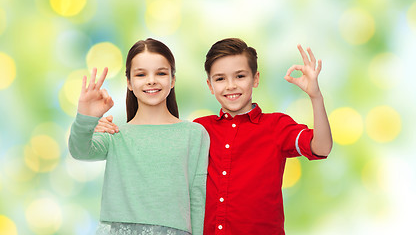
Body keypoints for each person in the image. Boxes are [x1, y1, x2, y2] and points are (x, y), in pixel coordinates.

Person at [95, 38, 333, 235]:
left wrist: (315, 96)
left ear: (256, 78)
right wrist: (104, 129)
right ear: (209, 85)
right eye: (220, 79)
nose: (231, 86)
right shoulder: (198, 130)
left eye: (240, 76)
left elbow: (321, 147)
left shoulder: (276, 125)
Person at [68, 38, 209, 235]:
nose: (151, 80)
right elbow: (79, 150)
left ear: (173, 79)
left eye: (161, 73)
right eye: (141, 74)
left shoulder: (194, 134)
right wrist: (86, 117)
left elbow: (197, 197)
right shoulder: (114, 133)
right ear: (129, 83)